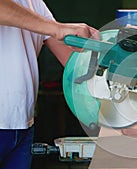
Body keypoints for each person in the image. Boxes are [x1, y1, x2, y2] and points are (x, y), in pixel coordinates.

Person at [0, 0, 98, 169]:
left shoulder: (33, 3)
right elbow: (54, 30)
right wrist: (57, 28)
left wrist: (123, 92)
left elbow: (75, 66)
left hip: (22, 125)